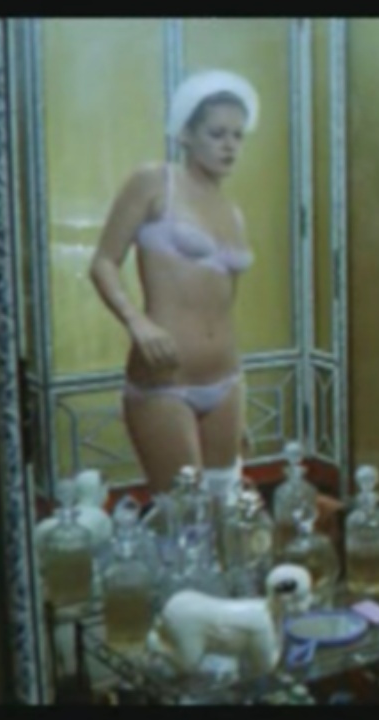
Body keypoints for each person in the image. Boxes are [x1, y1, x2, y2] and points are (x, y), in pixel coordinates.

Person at [89, 70, 259, 496]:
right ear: (185, 134)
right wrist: (138, 323)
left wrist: (240, 402)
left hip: (227, 379)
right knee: (184, 517)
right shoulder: (154, 182)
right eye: (217, 133)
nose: (230, 145)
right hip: (166, 381)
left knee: (225, 510)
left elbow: (225, 305)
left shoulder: (233, 212)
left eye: (238, 136)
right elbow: (103, 262)